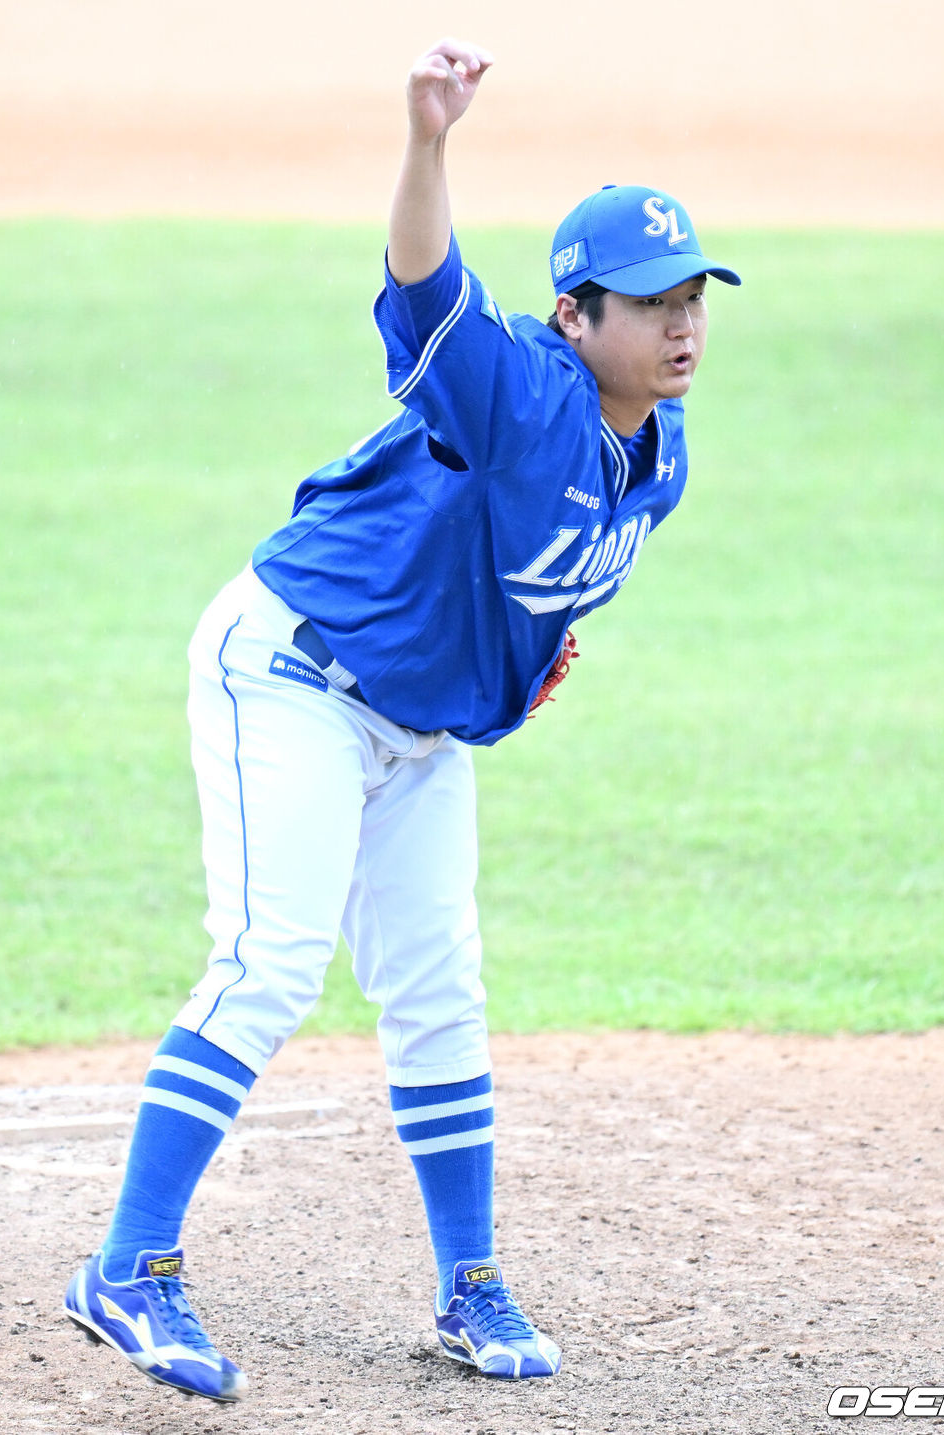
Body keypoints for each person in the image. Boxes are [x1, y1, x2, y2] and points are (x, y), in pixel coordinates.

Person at [62, 37, 740, 1403]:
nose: (682, 324)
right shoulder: (520, 388)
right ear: (575, 316)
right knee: (270, 962)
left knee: (441, 992)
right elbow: (427, 282)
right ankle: (127, 1269)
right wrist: (430, 142)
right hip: (294, 671)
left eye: (696, 297)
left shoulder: (656, 461)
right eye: (649, 301)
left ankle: (469, 1283)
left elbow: (537, 578)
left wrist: (521, 660)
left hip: (418, 724)